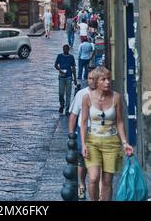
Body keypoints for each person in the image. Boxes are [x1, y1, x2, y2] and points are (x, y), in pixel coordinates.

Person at [80, 66, 134, 201]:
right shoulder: (87, 98)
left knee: (107, 182)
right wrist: (83, 144)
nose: (107, 82)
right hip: (93, 142)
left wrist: (125, 142)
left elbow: (120, 122)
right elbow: (84, 122)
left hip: (112, 143)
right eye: (103, 79)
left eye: (109, 79)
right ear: (97, 81)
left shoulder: (116, 97)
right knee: (93, 178)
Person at [69, 67, 96, 200]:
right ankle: (81, 184)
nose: (92, 81)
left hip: (98, 132)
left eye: (95, 78)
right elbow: (73, 116)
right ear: (87, 79)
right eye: (90, 78)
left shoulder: (105, 93)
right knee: (83, 160)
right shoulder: (81, 94)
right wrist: (71, 135)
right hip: (83, 131)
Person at [54, 45, 77, 116]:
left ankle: (67, 110)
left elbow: (73, 68)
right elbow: (55, 65)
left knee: (68, 94)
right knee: (61, 94)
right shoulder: (59, 56)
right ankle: (62, 105)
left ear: (68, 50)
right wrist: (60, 70)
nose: (65, 51)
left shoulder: (71, 57)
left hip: (69, 77)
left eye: (67, 49)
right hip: (61, 77)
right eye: (64, 49)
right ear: (63, 49)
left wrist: (75, 79)